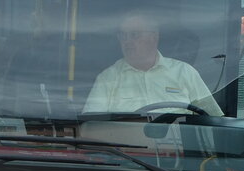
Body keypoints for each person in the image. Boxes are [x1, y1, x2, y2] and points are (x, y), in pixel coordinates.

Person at [82, 11, 222, 116]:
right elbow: (91, 126)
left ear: (154, 37)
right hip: (124, 151)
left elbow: (212, 119)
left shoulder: (185, 73)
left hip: (180, 152)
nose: (127, 41)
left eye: (134, 35)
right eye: (123, 36)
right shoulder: (108, 79)